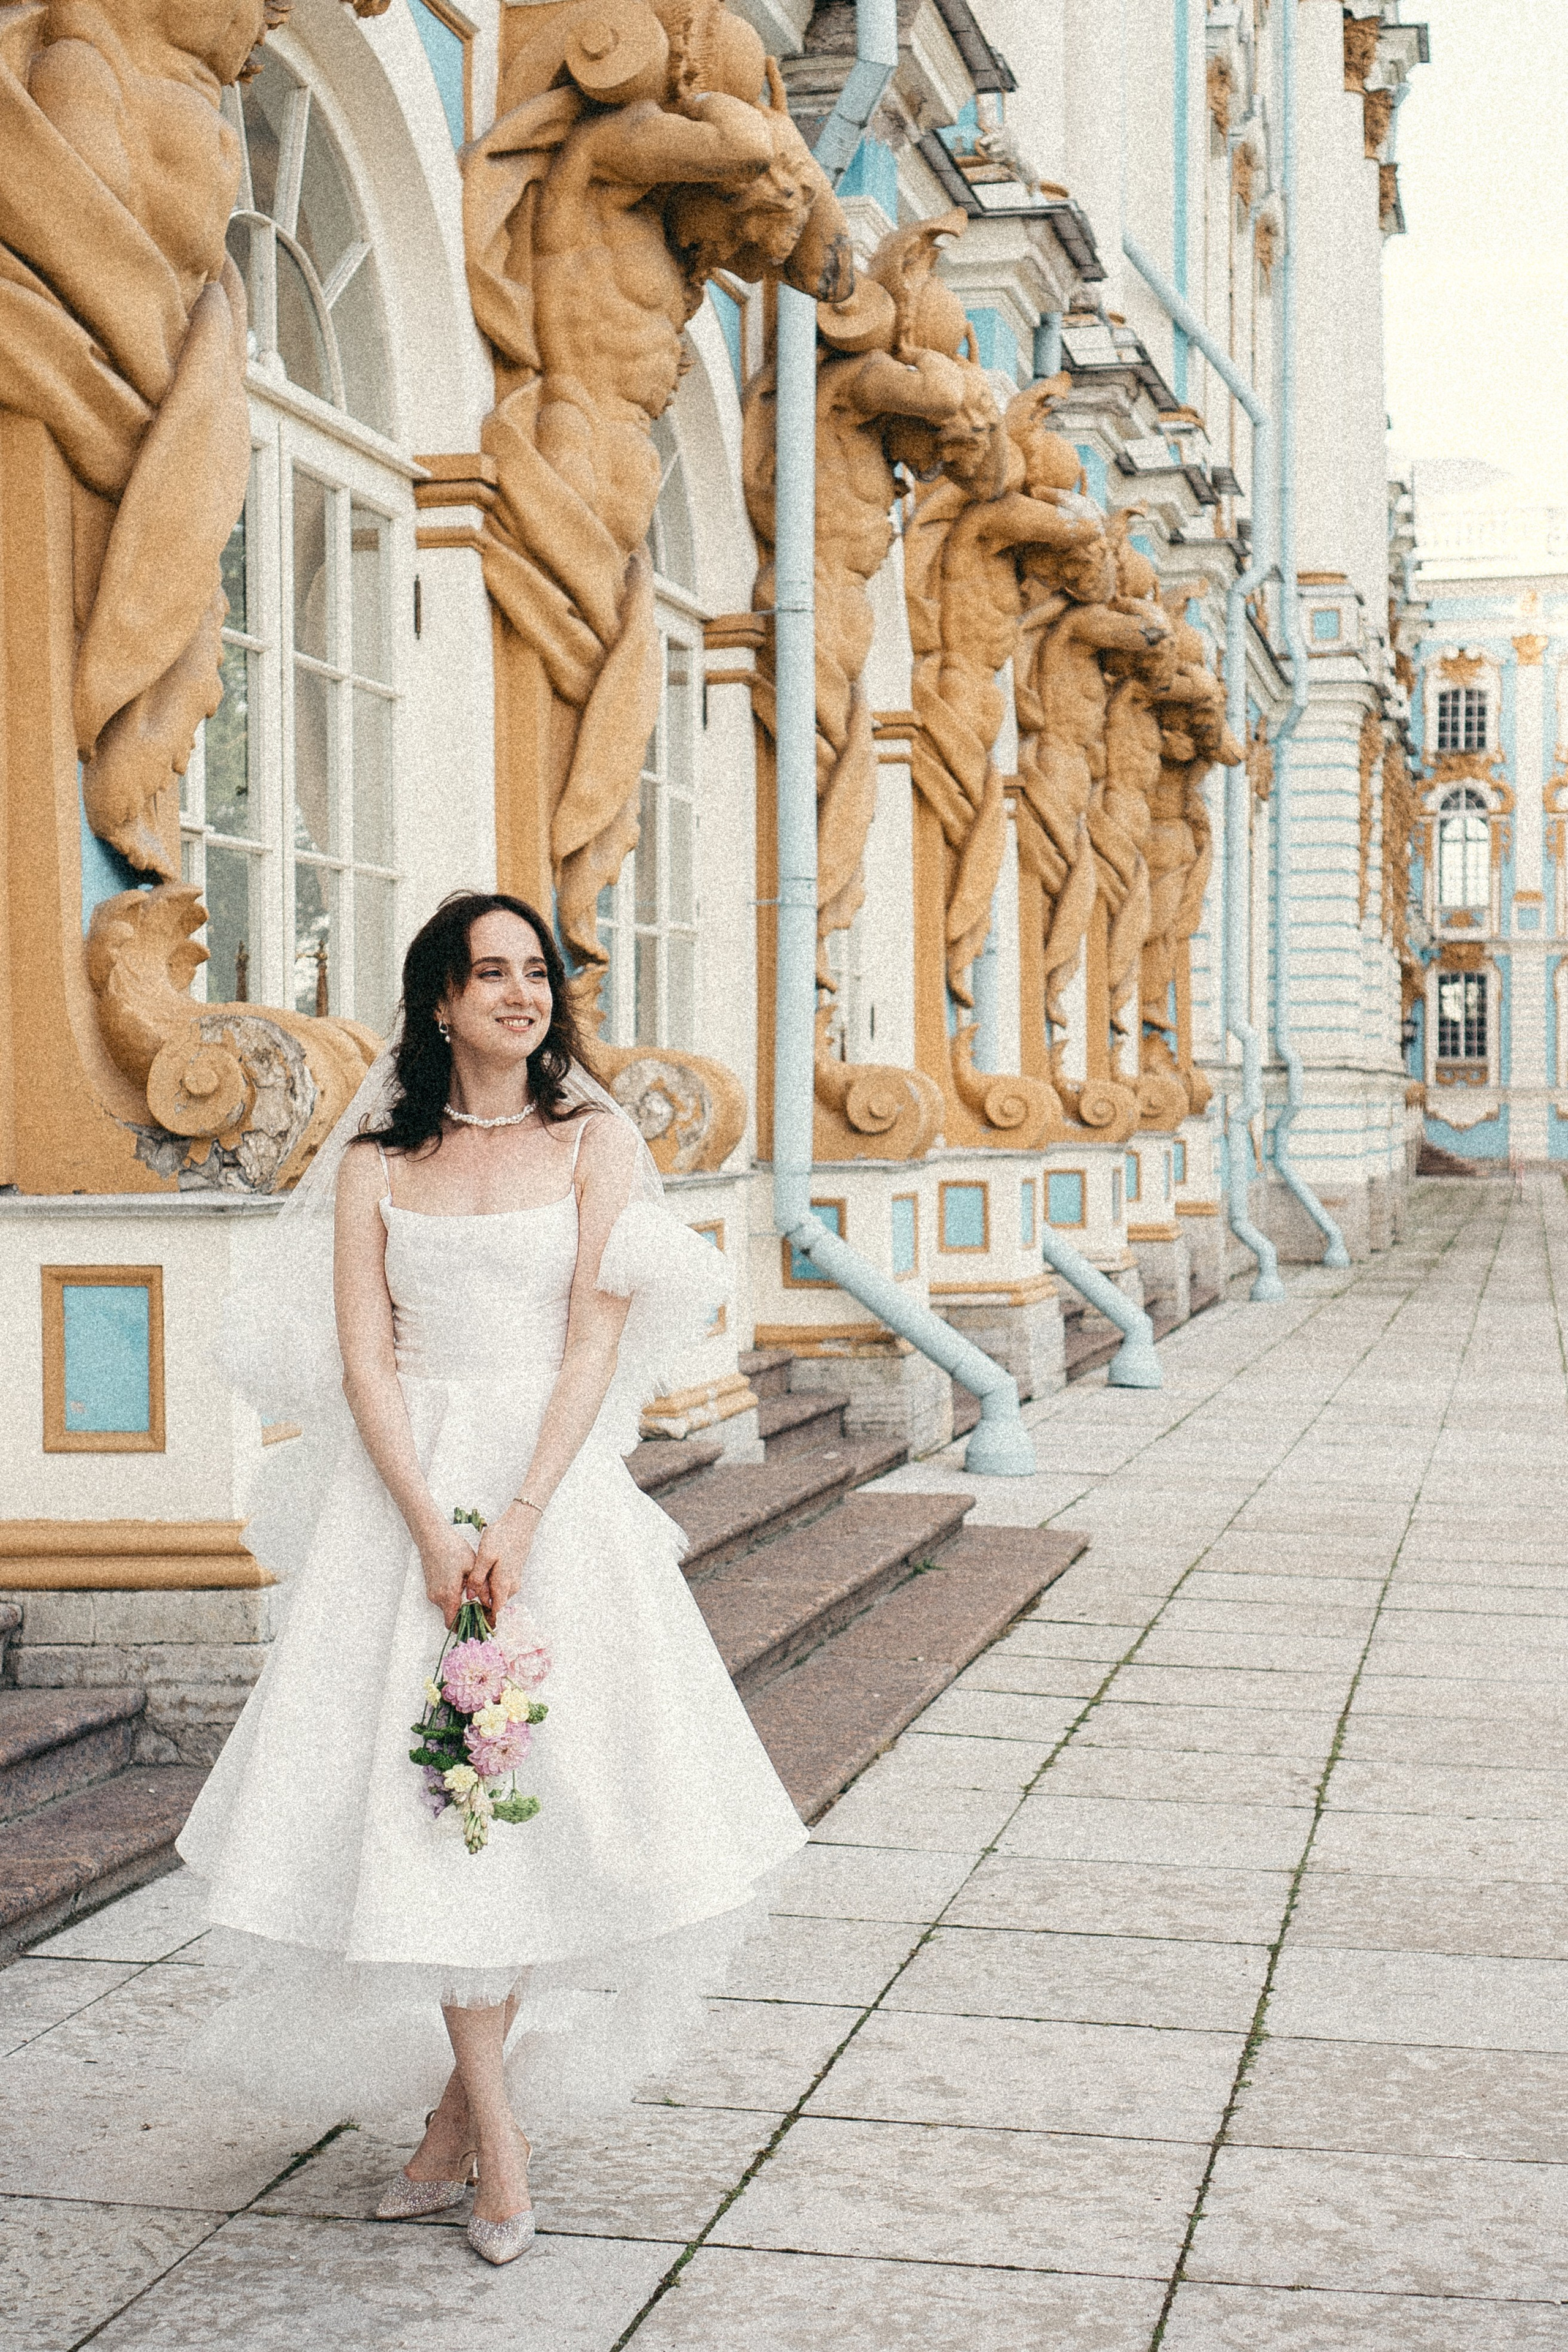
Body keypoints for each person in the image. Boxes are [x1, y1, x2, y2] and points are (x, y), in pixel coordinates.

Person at [176, 891, 807, 2265]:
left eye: (536, 973)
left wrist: (518, 1517)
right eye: (490, 973)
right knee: (431, 1804)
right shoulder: (376, 1163)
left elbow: (591, 1346)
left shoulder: (594, 1142)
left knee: (534, 1804)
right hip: (403, 1497)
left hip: (552, 1494)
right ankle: (492, 2140)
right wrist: (425, 1526)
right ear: (441, 1002)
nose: (521, 994)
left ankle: (464, 2130)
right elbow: (367, 1360)